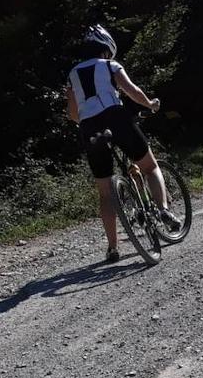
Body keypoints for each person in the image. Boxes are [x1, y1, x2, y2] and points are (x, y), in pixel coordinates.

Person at [65, 24, 179, 263]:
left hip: (89, 127)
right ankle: (164, 211)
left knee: (105, 193)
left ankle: (113, 248)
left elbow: (72, 113)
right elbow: (131, 90)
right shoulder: (109, 65)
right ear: (107, 48)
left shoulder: (72, 74)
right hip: (116, 118)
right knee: (149, 166)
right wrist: (150, 104)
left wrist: (87, 119)